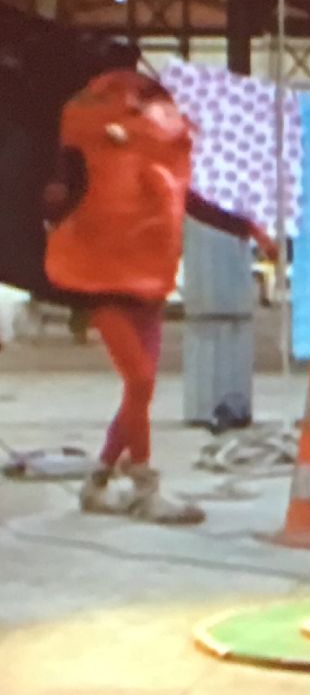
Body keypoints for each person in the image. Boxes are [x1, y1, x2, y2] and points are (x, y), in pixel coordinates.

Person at [42, 62, 275, 523]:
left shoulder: (159, 156)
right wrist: (54, 198)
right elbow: (63, 185)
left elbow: (192, 201)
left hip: (146, 281)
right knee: (140, 381)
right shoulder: (84, 139)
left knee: (140, 391)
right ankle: (145, 486)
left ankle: (98, 480)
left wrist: (249, 228)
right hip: (100, 279)